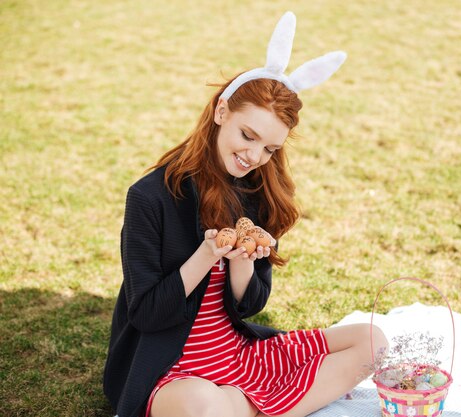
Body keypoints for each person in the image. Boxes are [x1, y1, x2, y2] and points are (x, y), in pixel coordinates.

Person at [102, 11, 388, 417]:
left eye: (270, 149)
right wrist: (207, 254)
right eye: (247, 136)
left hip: (238, 357)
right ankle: (256, 408)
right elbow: (147, 314)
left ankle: (243, 407)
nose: (254, 157)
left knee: (372, 341)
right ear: (222, 113)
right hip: (173, 373)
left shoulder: (257, 193)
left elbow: (250, 305)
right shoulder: (151, 197)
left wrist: (242, 264)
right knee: (202, 405)